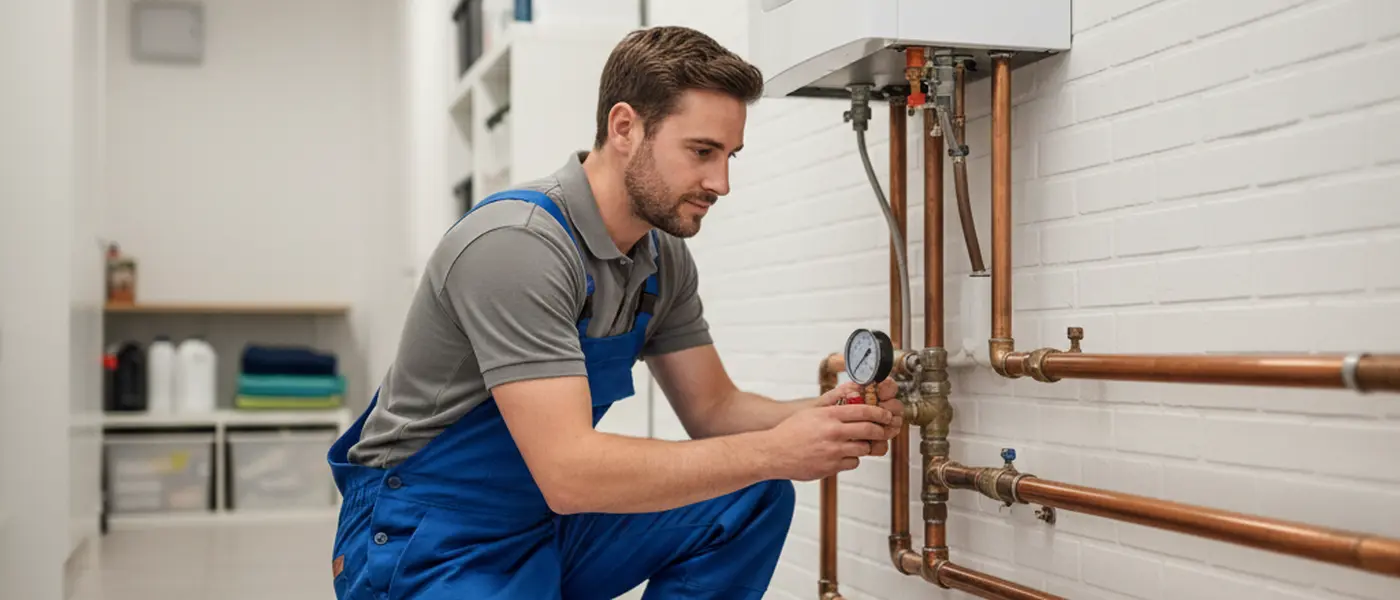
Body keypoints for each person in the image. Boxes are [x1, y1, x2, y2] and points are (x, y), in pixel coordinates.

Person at [326, 25, 903, 600]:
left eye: (730, 156)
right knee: (758, 465)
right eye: (702, 151)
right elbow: (570, 472)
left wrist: (831, 415)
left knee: (753, 495)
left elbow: (715, 409)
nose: (721, 182)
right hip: (428, 534)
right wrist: (775, 449)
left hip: (541, 521)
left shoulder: (662, 257)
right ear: (624, 127)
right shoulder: (517, 245)